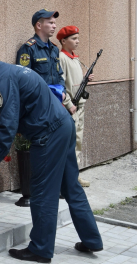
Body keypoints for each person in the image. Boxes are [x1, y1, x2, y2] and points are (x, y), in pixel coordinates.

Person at [0, 42, 103, 262]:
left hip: (49, 135)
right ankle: (92, 240)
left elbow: (8, 121)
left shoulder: (0, 79)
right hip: (63, 127)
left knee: (42, 193)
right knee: (71, 187)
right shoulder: (3, 73)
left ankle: (40, 249)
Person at [57, 26, 94, 187]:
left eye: (78, 38)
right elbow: (61, 84)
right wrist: (68, 104)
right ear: (63, 41)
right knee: (70, 142)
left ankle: (74, 175)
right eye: (73, 38)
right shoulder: (61, 58)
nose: (77, 41)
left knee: (78, 140)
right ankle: (67, 178)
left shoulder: (75, 58)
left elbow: (76, 82)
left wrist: (86, 78)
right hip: (70, 107)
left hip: (80, 106)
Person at [16, 9, 66, 102]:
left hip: (56, 102)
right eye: (51, 23)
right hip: (39, 103)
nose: (54, 26)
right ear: (39, 25)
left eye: (54, 23)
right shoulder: (28, 49)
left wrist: (63, 93)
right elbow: (24, 81)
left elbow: (59, 75)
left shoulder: (54, 49)